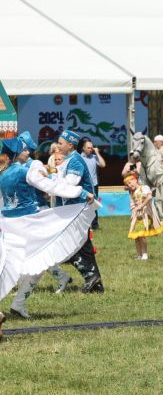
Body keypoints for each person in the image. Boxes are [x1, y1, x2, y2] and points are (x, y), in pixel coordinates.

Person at [0, 133, 98, 317]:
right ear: (15, 154)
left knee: (13, 265)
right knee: (40, 260)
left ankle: (18, 305)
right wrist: (82, 193)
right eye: (24, 150)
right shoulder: (23, 171)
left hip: (8, 224)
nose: (27, 152)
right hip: (28, 224)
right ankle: (19, 303)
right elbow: (51, 187)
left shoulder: (3, 173)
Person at [56, 130, 105, 293]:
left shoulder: (75, 161)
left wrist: (49, 179)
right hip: (72, 209)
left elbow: (70, 185)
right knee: (83, 246)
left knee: (69, 246)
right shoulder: (68, 159)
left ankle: (91, 277)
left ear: (70, 145)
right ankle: (95, 283)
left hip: (78, 209)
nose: (58, 145)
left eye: (60, 143)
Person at [125, 173, 163, 260]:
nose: (129, 185)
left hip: (145, 214)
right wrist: (133, 213)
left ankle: (145, 254)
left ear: (135, 180)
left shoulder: (144, 188)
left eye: (130, 182)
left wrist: (141, 206)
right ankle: (139, 255)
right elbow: (132, 204)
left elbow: (149, 197)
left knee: (142, 235)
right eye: (127, 184)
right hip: (137, 216)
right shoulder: (131, 193)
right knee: (136, 236)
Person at [78, 137, 105, 229]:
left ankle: (94, 224)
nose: (91, 149)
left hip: (94, 185)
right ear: (83, 148)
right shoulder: (79, 158)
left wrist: (97, 152)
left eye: (91, 147)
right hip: (84, 185)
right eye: (88, 148)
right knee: (83, 205)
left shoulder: (94, 157)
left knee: (94, 204)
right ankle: (83, 224)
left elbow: (103, 164)